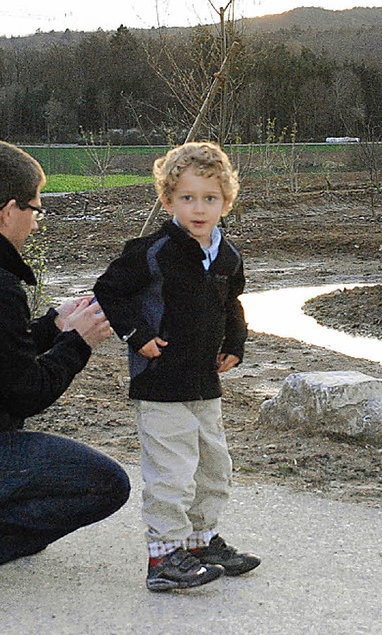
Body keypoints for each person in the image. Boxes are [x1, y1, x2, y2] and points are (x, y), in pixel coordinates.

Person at [0, 140, 131, 598]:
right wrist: (79, 343)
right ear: (7, 210)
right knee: (106, 484)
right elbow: (24, 392)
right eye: (34, 209)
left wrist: (53, 326)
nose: (35, 221)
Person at [94, 141, 260, 592]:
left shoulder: (228, 257)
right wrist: (137, 334)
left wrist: (236, 343)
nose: (199, 209)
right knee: (171, 472)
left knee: (213, 466)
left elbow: (232, 305)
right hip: (161, 381)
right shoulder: (153, 251)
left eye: (210, 199)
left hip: (204, 383)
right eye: (187, 198)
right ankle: (164, 556)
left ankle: (200, 540)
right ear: (168, 201)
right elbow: (109, 290)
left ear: (227, 202)